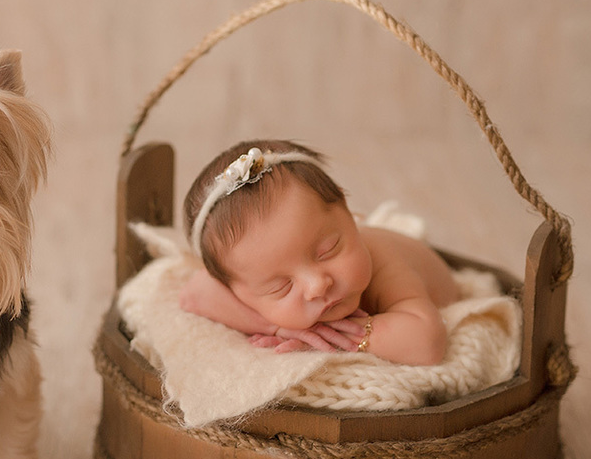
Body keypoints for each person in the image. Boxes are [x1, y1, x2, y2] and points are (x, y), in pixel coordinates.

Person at [178, 139, 460, 365]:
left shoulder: (384, 262)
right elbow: (195, 292)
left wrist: (340, 335)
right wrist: (278, 327)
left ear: (347, 212)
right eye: (281, 287)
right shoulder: (245, 272)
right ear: (239, 292)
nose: (317, 286)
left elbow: (426, 343)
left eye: (327, 251)